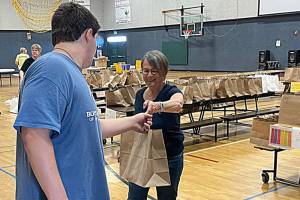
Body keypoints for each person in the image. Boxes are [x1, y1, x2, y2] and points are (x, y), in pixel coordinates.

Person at [13, 2, 152, 200]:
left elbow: (86, 128)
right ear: (89, 35)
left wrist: (132, 121)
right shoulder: (52, 68)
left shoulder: (70, 71)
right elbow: (34, 136)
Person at [128, 50, 184, 200]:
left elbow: (178, 104)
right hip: (142, 155)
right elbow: (136, 124)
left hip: (168, 157)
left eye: (154, 71)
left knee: (166, 197)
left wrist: (158, 106)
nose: (149, 75)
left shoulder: (171, 91)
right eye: (146, 71)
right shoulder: (140, 94)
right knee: (135, 196)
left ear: (164, 73)